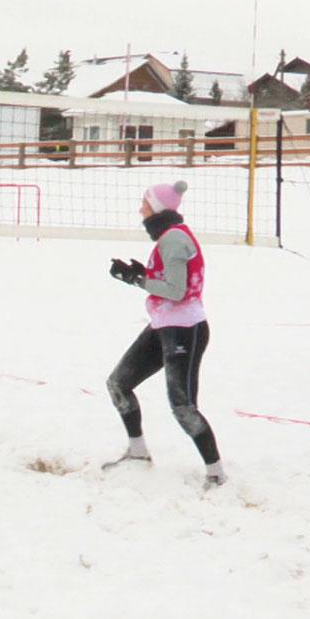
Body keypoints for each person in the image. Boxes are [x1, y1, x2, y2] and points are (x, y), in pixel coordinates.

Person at [105, 180, 226, 488]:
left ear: (157, 209)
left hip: (184, 330)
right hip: (164, 324)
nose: (140, 209)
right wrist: (142, 275)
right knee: (118, 383)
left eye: (144, 203)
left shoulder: (172, 239)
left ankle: (216, 474)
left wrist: (136, 279)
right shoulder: (169, 237)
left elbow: (176, 290)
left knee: (183, 406)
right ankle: (137, 453)